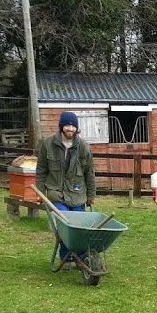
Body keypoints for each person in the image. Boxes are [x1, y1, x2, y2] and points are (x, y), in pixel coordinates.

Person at [36, 111, 97, 267]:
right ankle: (66, 258)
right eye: (67, 125)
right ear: (61, 126)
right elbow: (42, 170)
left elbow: (89, 172)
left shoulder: (83, 147)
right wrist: (40, 192)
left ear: (76, 129)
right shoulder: (48, 144)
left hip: (77, 194)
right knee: (65, 224)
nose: (70, 129)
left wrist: (91, 195)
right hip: (56, 193)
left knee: (80, 227)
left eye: (73, 126)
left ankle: (80, 257)